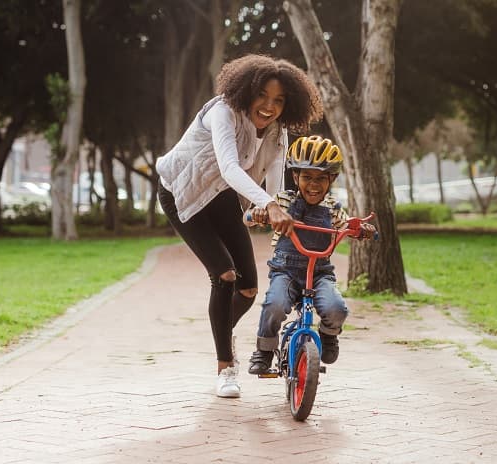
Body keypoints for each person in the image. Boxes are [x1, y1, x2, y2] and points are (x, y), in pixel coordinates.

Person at [156, 55, 323, 398]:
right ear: (247, 90)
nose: (269, 106)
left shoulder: (278, 129)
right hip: (181, 193)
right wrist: (268, 204)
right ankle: (225, 367)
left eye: (278, 100)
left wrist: (274, 203)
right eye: (262, 95)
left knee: (247, 289)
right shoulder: (222, 112)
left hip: (220, 197)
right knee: (225, 275)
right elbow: (230, 167)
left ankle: (221, 331)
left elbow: (276, 167)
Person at [243, 136, 377, 375]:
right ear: (296, 177)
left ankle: (328, 335)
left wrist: (360, 230)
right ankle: (264, 350)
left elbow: (347, 224)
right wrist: (259, 215)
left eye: (320, 178)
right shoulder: (283, 201)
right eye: (307, 177)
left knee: (337, 308)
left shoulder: (333, 208)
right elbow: (250, 216)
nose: (313, 185)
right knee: (274, 305)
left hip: (319, 274)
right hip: (286, 271)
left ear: (332, 179)